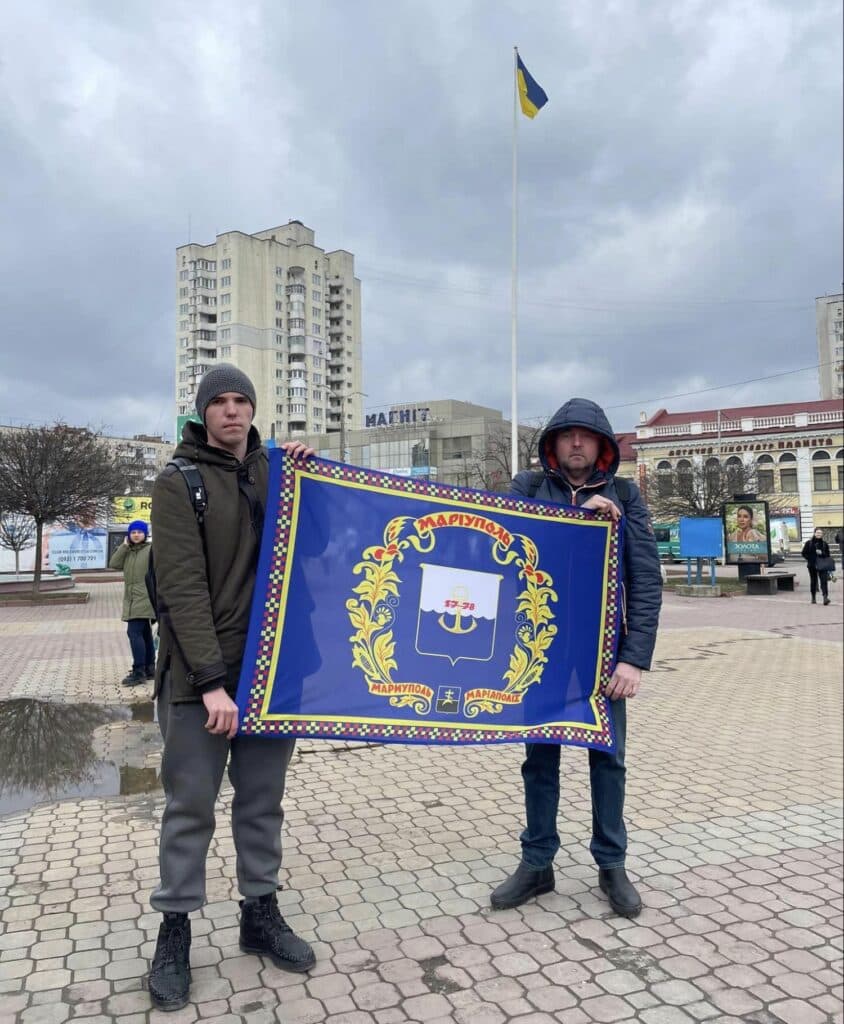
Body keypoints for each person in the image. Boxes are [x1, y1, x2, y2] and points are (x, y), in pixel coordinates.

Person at [146, 365, 316, 1012]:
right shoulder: (177, 481)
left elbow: (321, 546)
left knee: (261, 803)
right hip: (201, 683)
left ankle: (260, 912)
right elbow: (181, 590)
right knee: (190, 809)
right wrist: (212, 683)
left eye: (241, 399)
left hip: (271, 676)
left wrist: (309, 473)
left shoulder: (279, 472)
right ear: (200, 412)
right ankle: (175, 927)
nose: (231, 410)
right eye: (218, 401)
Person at [490, 398, 662, 918]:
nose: (577, 444)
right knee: (540, 759)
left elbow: (647, 581)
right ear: (554, 444)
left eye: (587, 436)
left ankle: (612, 864)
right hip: (540, 650)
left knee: (608, 760)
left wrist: (633, 659)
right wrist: (575, 518)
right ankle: (538, 861)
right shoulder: (527, 488)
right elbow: (508, 547)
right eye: (568, 435)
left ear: (603, 445)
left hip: (605, 655)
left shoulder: (626, 494)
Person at [108, 520, 155, 686]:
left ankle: (138, 671)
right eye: (133, 532)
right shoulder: (128, 551)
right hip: (132, 598)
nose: (136, 535)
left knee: (134, 633)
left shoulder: (151, 550)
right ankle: (150, 669)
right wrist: (124, 546)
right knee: (145, 634)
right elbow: (114, 564)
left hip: (145, 598)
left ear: (145, 534)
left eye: (139, 532)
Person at [801, 528, 832, 606]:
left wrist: (822, 553)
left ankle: (825, 598)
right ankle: (813, 597)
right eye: (818, 533)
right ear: (814, 533)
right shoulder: (809, 543)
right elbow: (803, 553)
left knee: (824, 581)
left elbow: (828, 555)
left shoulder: (825, 544)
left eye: (820, 533)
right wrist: (810, 559)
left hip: (822, 565)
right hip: (812, 565)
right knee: (813, 581)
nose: (819, 534)